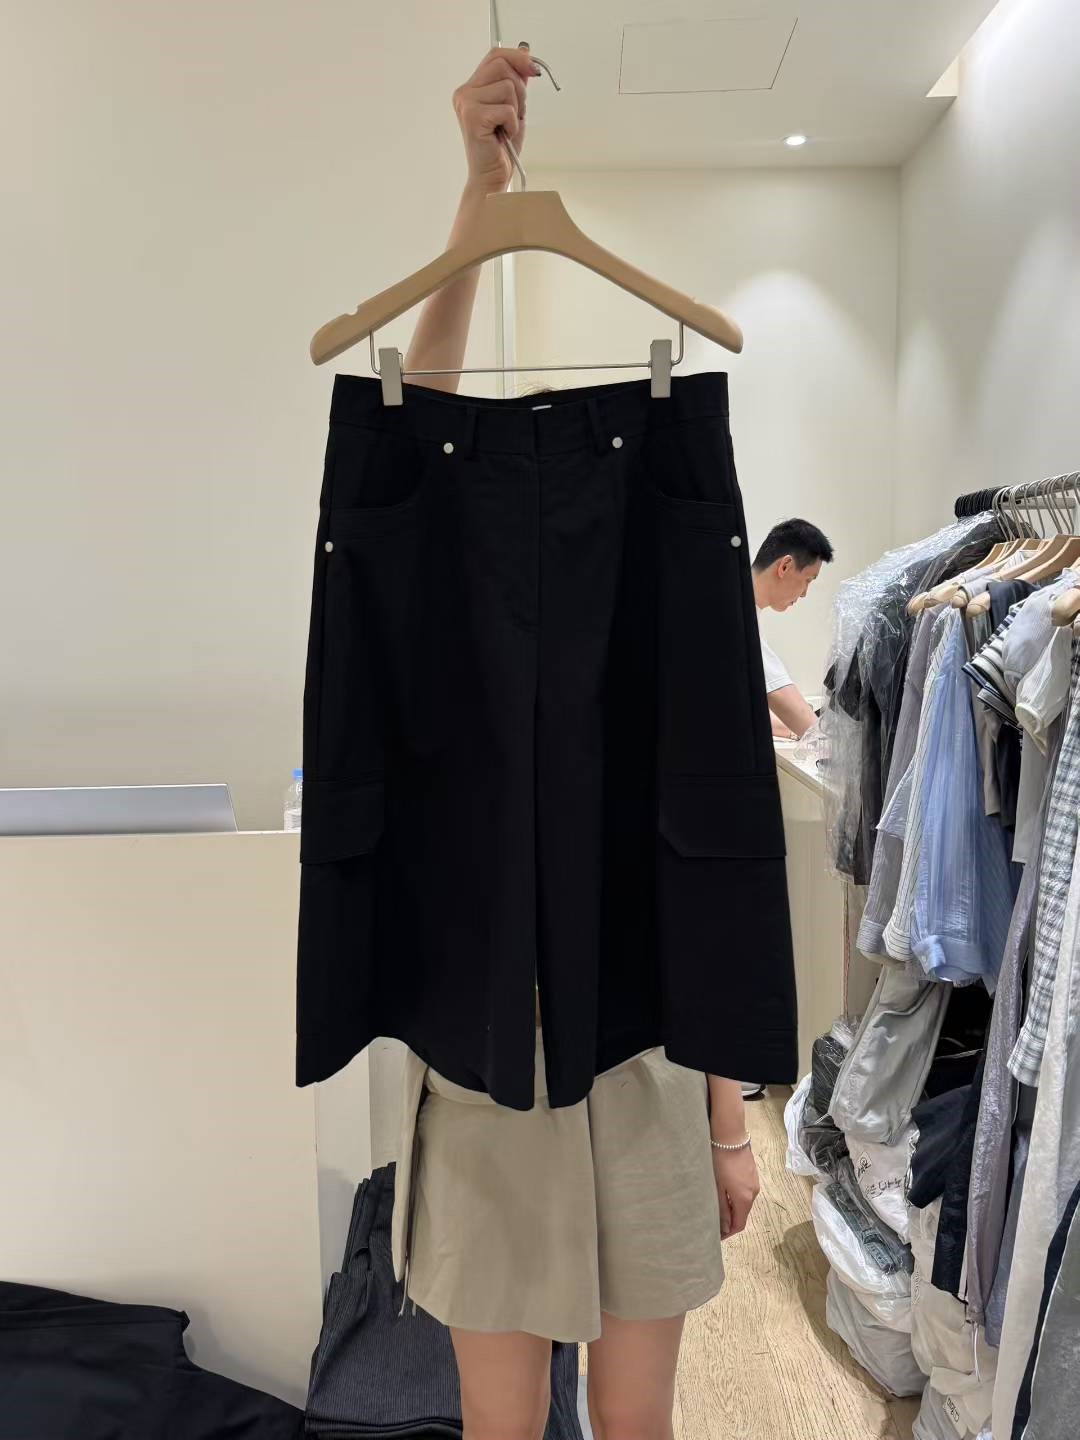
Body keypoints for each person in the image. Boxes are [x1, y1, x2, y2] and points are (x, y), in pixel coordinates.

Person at [395, 46, 764, 1440]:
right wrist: (475, 208)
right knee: (500, 1428)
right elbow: (414, 446)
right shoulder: (447, 598)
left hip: (645, 1065)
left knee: (637, 1423)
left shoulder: (671, 570)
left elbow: (704, 863)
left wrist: (731, 1124)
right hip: (484, 1063)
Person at [752, 518, 834, 740]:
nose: (805, 593)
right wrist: (825, 741)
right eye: (808, 580)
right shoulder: (738, 614)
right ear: (785, 566)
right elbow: (777, 690)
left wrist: (792, 731)